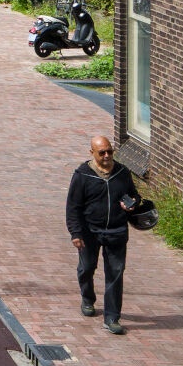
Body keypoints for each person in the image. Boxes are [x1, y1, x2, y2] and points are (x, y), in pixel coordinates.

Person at [67, 135, 142, 335]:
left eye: (110, 151)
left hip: (117, 231)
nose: (107, 155)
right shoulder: (82, 175)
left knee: (115, 274)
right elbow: (73, 207)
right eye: (102, 152)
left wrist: (132, 202)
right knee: (87, 268)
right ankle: (88, 297)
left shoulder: (122, 172)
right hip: (89, 232)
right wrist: (76, 233)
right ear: (92, 153)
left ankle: (112, 318)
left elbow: (135, 195)